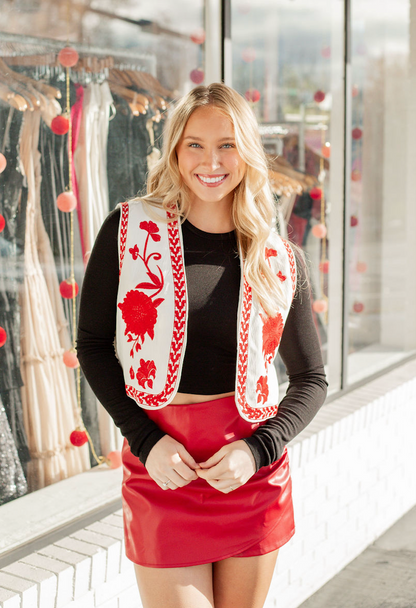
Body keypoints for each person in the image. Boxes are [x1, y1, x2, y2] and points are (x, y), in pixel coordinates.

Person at [76, 82, 327, 608]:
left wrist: (257, 449)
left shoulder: (281, 258)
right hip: (162, 468)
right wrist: (146, 441)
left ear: (248, 153)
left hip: (248, 473)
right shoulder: (129, 230)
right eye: (195, 144)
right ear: (174, 150)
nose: (210, 160)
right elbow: (93, 345)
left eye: (227, 145)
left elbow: (311, 380)